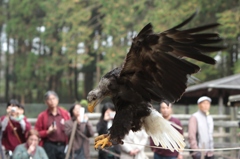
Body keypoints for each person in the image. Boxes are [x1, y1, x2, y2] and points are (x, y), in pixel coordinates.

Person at [35, 91, 70, 159]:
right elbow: (36, 133)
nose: (52, 101)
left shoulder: (65, 114)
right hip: (49, 145)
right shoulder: (42, 116)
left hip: (63, 145)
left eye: (54, 98)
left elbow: (70, 128)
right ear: (46, 102)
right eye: (49, 99)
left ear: (57, 100)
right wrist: (47, 132)